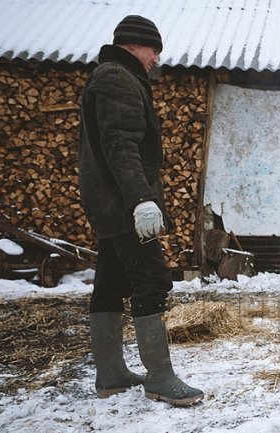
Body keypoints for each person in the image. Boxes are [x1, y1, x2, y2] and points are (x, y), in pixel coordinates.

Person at [79, 15, 203, 405]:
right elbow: (120, 145)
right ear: (133, 44)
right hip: (123, 202)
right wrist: (141, 199)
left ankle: (112, 373)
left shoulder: (111, 75)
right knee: (151, 279)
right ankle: (160, 378)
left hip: (107, 201)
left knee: (111, 280)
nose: (156, 59)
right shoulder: (118, 78)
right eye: (154, 50)